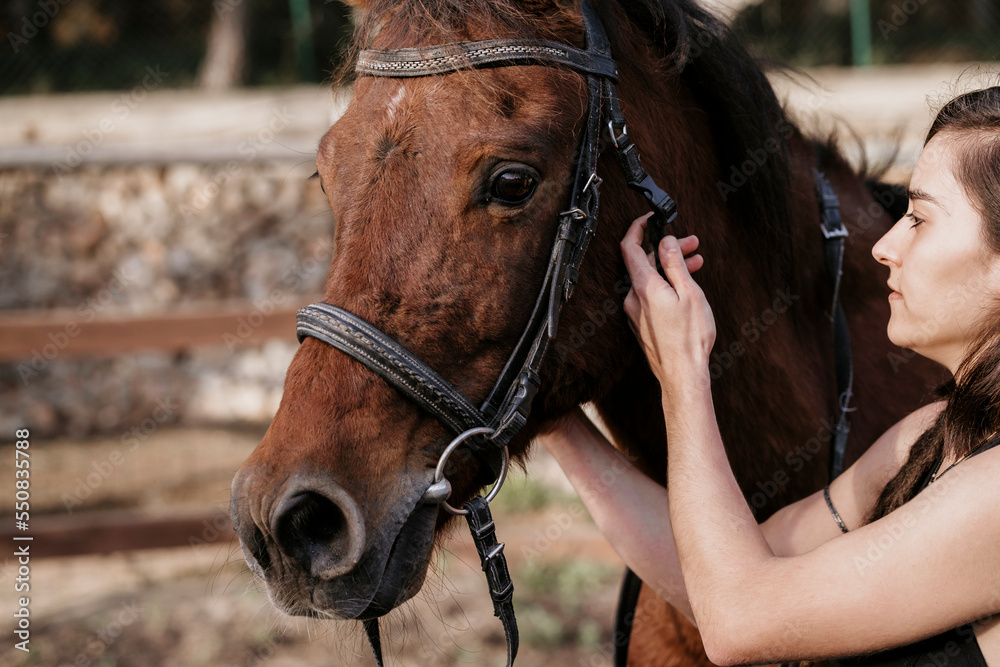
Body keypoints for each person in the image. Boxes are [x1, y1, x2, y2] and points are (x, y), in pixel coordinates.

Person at [537, 85, 1000, 666]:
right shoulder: (931, 433)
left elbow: (740, 622)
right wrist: (556, 421)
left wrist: (684, 374)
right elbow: (714, 576)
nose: (884, 245)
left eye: (918, 218)